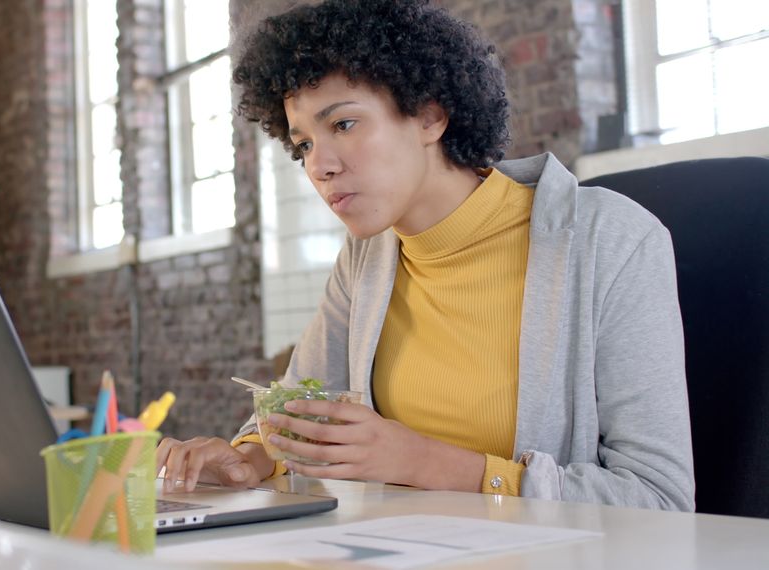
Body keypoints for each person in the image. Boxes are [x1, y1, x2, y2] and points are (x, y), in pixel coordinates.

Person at [155, 0, 694, 510]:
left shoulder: (611, 239)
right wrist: (247, 460)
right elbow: (297, 412)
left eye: (342, 124)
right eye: (303, 145)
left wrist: (423, 461)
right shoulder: (368, 257)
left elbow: (659, 496)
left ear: (431, 117)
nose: (320, 165)